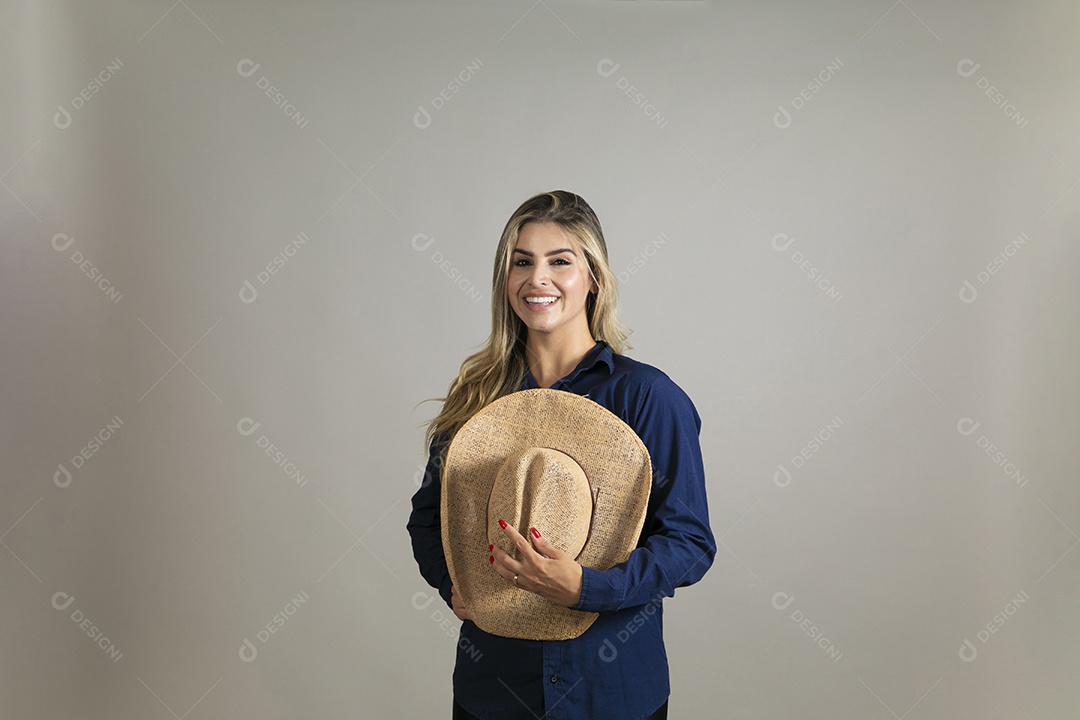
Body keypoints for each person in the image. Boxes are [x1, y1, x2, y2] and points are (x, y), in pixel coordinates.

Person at [407, 190, 716, 719]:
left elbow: (689, 543)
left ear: (593, 276)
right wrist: (455, 584)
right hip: (495, 690)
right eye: (521, 262)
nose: (537, 279)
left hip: (610, 693)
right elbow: (427, 519)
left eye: (560, 261)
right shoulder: (477, 398)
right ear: (505, 280)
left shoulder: (647, 398)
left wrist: (589, 587)